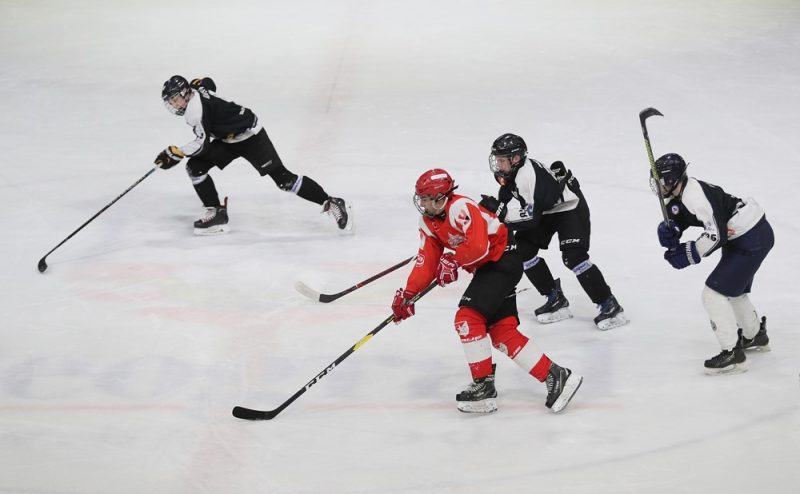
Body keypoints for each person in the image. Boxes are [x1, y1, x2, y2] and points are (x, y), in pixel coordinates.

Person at [390, 168, 583, 414]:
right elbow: (426, 261)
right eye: (421, 198)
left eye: (427, 198)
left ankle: (483, 386)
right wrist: (409, 295)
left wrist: (454, 260)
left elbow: (479, 247)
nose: (423, 204)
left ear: (441, 197)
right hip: (490, 268)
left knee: (467, 319)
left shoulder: (461, 208)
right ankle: (556, 375)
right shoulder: (428, 222)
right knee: (502, 332)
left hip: (503, 262)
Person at [155, 75, 352, 235]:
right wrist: (200, 83)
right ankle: (216, 212)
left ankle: (332, 202)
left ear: (185, 93)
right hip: (228, 140)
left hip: (251, 137)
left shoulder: (195, 111)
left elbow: (202, 143)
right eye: (171, 102)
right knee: (195, 167)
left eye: (175, 99)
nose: (175, 105)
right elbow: (208, 83)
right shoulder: (196, 91)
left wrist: (178, 152)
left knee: (285, 181)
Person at [478, 133, 627, 330]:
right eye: (497, 159)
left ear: (515, 158)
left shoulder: (526, 175)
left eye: (501, 160)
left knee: (574, 257)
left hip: (570, 207)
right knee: (522, 251)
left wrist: (502, 213)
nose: (498, 164)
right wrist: (498, 210)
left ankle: (609, 304)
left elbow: (530, 218)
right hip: (547, 210)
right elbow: (509, 198)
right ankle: (555, 298)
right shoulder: (510, 173)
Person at [653, 153, 773, 375]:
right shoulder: (680, 193)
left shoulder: (695, 196)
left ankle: (732, 353)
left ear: (673, 179)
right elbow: (681, 215)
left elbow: (717, 235)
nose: (658, 186)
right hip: (748, 235)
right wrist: (672, 229)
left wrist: (689, 253)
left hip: (751, 239)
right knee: (734, 292)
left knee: (713, 294)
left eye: (661, 181)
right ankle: (754, 335)